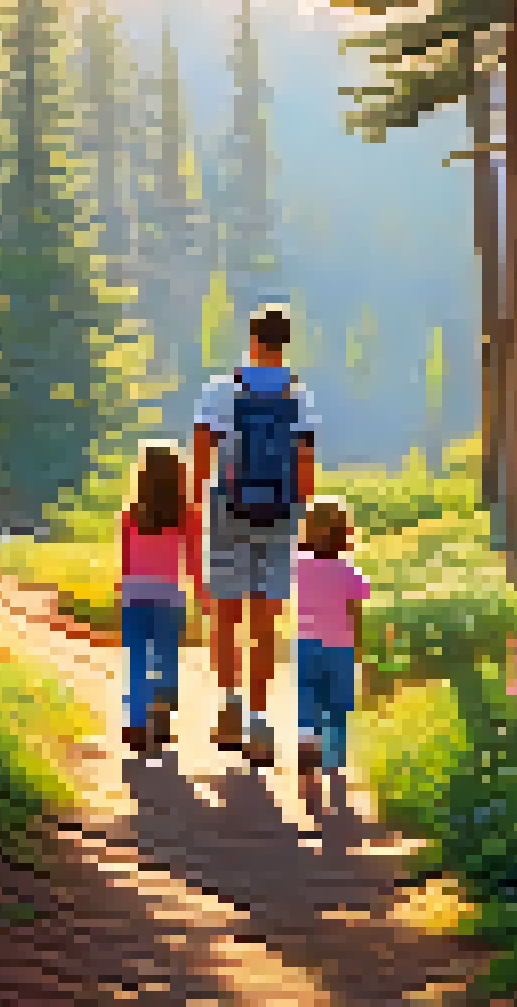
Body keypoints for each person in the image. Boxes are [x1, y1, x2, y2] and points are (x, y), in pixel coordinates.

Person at [191, 304, 322, 769]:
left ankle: (229, 706)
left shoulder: (219, 392)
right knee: (264, 620)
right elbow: (305, 462)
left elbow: (203, 450)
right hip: (280, 511)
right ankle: (261, 719)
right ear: (285, 342)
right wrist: (302, 515)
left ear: (251, 338)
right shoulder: (298, 396)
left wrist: (196, 504)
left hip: (227, 507)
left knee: (227, 611)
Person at [118, 441, 203, 756]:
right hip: (168, 598)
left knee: (137, 660)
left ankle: (137, 724)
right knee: (166, 659)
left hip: (134, 596)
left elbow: (126, 562)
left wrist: (123, 592)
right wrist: (202, 594)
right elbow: (193, 561)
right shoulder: (186, 516)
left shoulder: (131, 516)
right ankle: (162, 714)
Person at [292, 497, 371, 807]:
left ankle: (306, 774)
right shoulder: (349, 572)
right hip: (340, 648)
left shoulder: (298, 565)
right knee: (337, 710)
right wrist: (360, 651)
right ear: (345, 532)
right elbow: (357, 614)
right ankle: (334, 768)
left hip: (306, 645)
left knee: (307, 708)